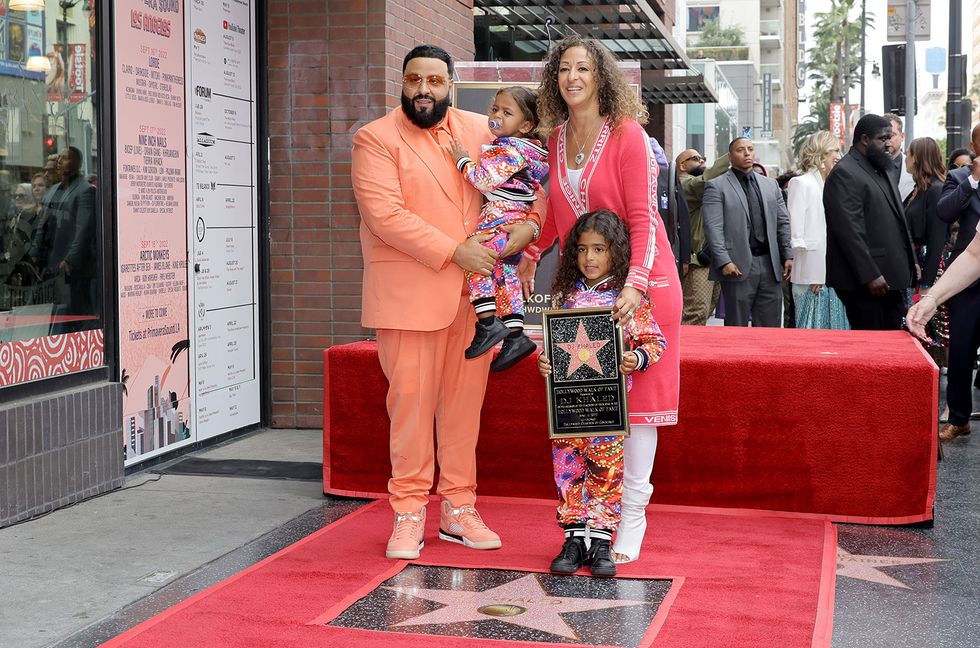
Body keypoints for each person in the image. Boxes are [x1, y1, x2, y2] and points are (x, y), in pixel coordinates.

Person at [351, 44, 540, 559]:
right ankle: (409, 514)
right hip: (410, 298)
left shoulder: (485, 129)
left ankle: (458, 509)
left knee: (463, 411)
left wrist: (529, 230)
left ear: (450, 84)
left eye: (435, 81)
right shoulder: (375, 138)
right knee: (409, 410)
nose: (424, 90)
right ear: (403, 82)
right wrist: (456, 251)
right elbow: (384, 215)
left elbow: (532, 186)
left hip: (479, 306)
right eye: (415, 79)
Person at [523, 35, 682, 564]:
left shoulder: (629, 135)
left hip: (643, 285)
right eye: (564, 68)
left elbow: (644, 217)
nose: (572, 77)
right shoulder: (555, 138)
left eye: (584, 69)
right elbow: (554, 217)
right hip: (584, 289)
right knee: (587, 409)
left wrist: (635, 283)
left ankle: (631, 515)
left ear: (601, 78)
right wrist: (527, 254)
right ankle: (585, 526)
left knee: (636, 409)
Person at [537, 210, 666, 577]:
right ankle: (575, 539)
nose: (589, 258)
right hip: (568, 409)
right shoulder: (566, 296)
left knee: (607, 472)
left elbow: (655, 341)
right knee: (568, 470)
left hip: (608, 410)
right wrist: (545, 362)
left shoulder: (626, 299)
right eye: (581, 250)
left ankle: (601, 541)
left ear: (617, 253)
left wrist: (634, 358)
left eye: (599, 249)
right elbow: (554, 345)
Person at [447, 86, 549, 371]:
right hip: (512, 225)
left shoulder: (509, 149)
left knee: (476, 264)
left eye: (506, 112)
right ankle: (516, 336)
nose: (496, 117)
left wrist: (462, 160)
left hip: (498, 222)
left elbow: (483, 180)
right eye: (494, 110)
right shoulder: (531, 151)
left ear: (526, 125)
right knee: (505, 277)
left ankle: (489, 323)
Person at [823, 114, 916, 330]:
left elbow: (898, 219)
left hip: (890, 277)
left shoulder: (881, 166)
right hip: (865, 282)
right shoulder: (845, 173)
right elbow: (848, 231)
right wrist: (870, 274)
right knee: (872, 346)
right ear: (865, 139)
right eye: (883, 139)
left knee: (892, 344)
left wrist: (913, 262)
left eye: (890, 138)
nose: (888, 144)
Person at [702, 137, 793, 327]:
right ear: (730, 156)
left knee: (771, 326)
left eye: (750, 149)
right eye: (740, 150)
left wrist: (788, 254)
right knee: (737, 326)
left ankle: (768, 358)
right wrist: (724, 260)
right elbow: (713, 227)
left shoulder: (770, 185)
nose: (747, 153)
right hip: (737, 265)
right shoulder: (716, 186)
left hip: (770, 264)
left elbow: (782, 222)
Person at [932, 124, 980, 441]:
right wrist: (974, 180)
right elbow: (944, 211)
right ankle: (959, 416)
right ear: (975, 143)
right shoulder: (961, 177)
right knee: (961, 347)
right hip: (965, 275)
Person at [786, 130, 849, 329]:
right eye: (834, 151)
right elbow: (798, 236)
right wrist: (818, 274)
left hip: (833, 276)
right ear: (821, 153)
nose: (839, 156)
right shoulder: (801, 183)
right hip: (811, 277)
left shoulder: (833, 184)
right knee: (812, 332)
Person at [29, 146, 98, 323]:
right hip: (50, 263)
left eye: (65, 158)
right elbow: (41, 224)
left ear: (77, 163)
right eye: (59, 158)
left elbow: (84, 230)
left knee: (72, 314)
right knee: (53, 313)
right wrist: (35, 253)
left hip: (72, 268)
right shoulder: (53, 190)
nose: (59, 161)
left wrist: (70, 260)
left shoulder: (85, 190)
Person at [677, 148, 729, 325]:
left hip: (711, 258)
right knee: (696, 312)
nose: (702, 162)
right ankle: (686, 352)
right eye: (697, 158)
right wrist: (730, 155)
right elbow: (705, 180)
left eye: (703, 159)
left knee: (706, 310)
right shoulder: (683, 184)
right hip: (696, 261)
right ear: (682, 165)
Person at [883, 112, 916, 200]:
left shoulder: (915, 169)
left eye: (892, 135)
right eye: (883, 135)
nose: (887, 140)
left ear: (902, 136)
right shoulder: (867, 167)